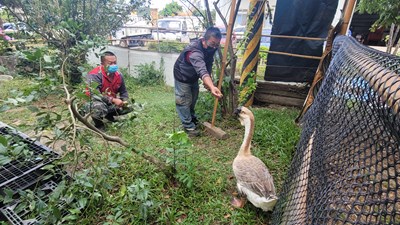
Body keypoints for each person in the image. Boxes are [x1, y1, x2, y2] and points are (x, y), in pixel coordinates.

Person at [173, 27, 223, 136]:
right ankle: (188, 127)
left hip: (193, 76)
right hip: (182, 75)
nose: (214, 47)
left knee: (193, 99)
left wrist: (208, 82)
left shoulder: (211, 48)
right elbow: (202, 69)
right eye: (213, 43)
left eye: (217, 44)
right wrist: (211, 86)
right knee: (183, 100)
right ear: (204, 40)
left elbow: (208, 64)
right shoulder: (194, 51)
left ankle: (191, 118)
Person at [85, 51, 132, 130]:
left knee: (130, 106)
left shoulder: (119, 75)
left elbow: (123, 92)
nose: (113, 65)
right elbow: (94, 94)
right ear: (102, 64)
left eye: (115, 62)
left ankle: (109, 116)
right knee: (98, 107)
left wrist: (125, 101)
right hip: (95, 102)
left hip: (110, 103)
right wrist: (113, 100)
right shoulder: (95, 75)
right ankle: (99, 124)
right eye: (110, 63)